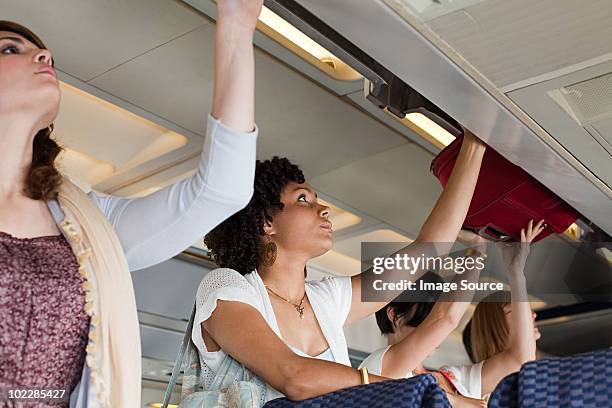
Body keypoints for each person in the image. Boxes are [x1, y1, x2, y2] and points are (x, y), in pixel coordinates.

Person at [0, 0, 259, 404]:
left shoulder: (86, 224)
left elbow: (221, 190)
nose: (43, 55)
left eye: (40, 50)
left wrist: (237, 24)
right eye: (9, 49)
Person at [191, 69, 487, 404]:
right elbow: (294, 377)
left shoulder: (326, 301)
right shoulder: (226, 290)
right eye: (304, 199)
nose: (324, 210)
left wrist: (475, 144)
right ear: (265, 223)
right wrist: (410, 393)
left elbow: (428, 249)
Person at [361, 220, 545, 405]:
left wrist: (516, 272)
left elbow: (520, 360)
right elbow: (446, 318)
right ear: (394, 316)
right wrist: (477, 251)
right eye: (428, 313)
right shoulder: (379, 368)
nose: (438, 330)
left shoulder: (453, 378)